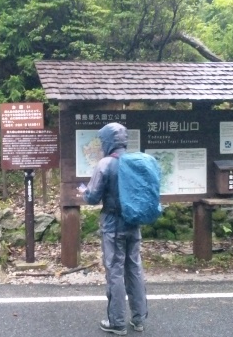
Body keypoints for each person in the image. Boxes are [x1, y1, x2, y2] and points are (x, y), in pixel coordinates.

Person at [80, 122, 148, 336]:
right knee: (134, 267)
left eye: (102, 141)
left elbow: (92, 197)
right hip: (134, 222)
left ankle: (117, 322)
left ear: (109, 141)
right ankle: (139, 319)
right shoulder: (135, 161)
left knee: (115, 270)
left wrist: (83, 191)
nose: (101, 145)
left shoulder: (105, 164)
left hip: (113, 225)